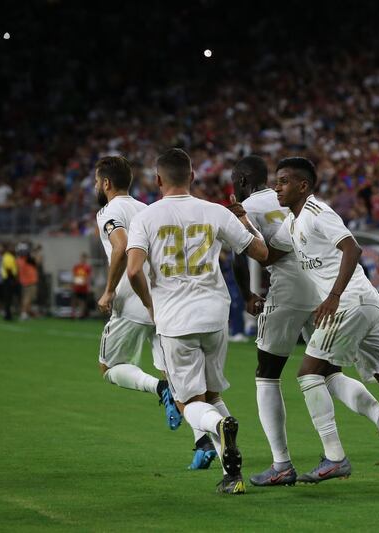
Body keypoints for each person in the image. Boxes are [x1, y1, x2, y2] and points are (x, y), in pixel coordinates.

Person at [262, 157, 379, 493]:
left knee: (309, 373)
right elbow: (269, 254)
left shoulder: (316, 212)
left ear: (303, 186)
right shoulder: (291, 224)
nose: (277, 187)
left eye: (283, 181)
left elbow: (352, 247)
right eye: (276, 181)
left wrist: (334, 295)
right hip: (366, 305)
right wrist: (239, 227)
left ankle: (334, 456)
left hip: (349, 302)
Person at [231, 155, 379, 488]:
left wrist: (247, 294)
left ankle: (281, 464)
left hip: (286, 288)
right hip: (320, 284)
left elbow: (246, 254)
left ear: (240, 181)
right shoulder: (292, 198)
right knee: (327, 371)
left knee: (267, 375)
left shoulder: (247, 208)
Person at [126, 148, 268, 494]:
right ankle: (232, 476)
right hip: (215, 314)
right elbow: (261, 253)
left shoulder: (146, 217)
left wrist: (150, 304)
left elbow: (133, 270)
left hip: (175, 318)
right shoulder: (215, 211)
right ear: (192, 177)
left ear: (158, 180)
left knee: (188, 402)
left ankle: (220, 427)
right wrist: (245, 222)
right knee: (212, 393)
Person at [93, 156, 199, 467]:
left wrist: (110, 290)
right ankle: (203, 441)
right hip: (162, 302)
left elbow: (121, 246)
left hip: (132, 302)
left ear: (107, 183)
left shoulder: (109, 212)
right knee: (178, 378)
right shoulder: (146, 208)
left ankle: (158, 388)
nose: (96, 186)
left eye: (97, 181)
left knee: (108, 368)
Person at [16, 244, 39, 320]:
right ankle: (23, 313)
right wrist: (35, 250)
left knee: (27, 299)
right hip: (29, 281)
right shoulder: (24, 259)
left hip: (25, 282)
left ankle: (26, 313)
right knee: (27, 298)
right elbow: (36, 260)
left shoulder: (20, 259)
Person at [1, 244, 18, 321]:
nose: (13, 249)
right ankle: (8, 315)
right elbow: (8, 269)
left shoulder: (9, 256)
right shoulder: (8, 257)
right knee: (8, 298)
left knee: (8, 298)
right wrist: (12, 279)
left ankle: (8, 314)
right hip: (8, 279)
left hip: (9, 279)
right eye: (11, 247)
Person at [72, 253, 92, 319]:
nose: (83, 259)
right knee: (75, 301)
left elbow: (88, 277)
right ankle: (73, 314)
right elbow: (74, 276)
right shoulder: (76, 267)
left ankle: (81, 315)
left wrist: (86, 283)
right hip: (77, 287)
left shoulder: (87, 268)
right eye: (82, 258)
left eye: (84, 258)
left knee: (82, 302)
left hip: (84, 287)